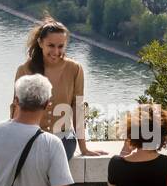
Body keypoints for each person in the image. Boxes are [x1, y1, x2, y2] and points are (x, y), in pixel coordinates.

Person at [13, 18, 105, 159]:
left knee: (52, 164)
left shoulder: (75, 69)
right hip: (31, 136)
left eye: (61, 46)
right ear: (40, 43)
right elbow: (17, 108)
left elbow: (77, 107)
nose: (56, 51)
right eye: (51, 45)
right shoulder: (24, 70)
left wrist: (83, 148)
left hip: (63, 139)